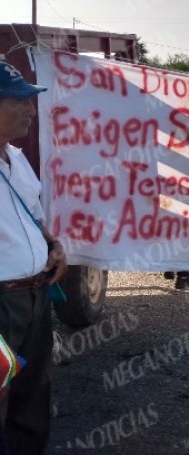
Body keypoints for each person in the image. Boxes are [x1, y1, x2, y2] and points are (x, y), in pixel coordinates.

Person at [0, 60, 67, 454]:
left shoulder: (16, 158)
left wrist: (53, 245)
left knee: (32, 395)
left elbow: (33, 214)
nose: (30, 110)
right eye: (19, 102)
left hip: (34, 299)